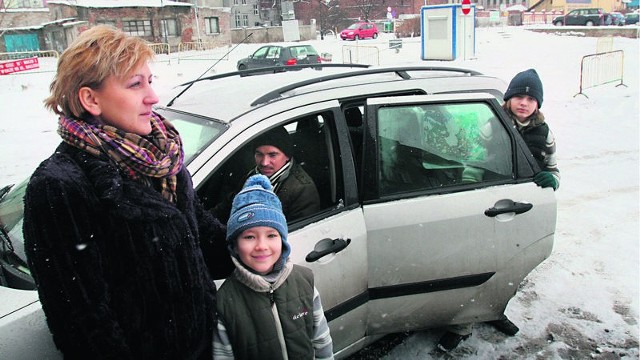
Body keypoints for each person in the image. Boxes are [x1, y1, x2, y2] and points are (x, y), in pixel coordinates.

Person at [22, 25, 232, 359]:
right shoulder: (59, 186)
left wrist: (252, 246)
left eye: (150, 81)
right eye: (135, 84)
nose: (153, 96)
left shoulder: (160, 159)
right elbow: (85, 325)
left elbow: (199, 236)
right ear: (90, 99)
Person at [437, 68, 560, 352]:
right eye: (518, 96)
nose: (524, 102)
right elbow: (471, 160)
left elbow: (554, 169)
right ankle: (462, 324)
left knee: (508, 267)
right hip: (487, 205)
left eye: (531, 99)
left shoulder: (545, 133)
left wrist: (551, 180)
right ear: (508, 99)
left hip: (521, 209)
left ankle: (494, 310)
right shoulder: (492, 125)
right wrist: (468, 193)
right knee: (478, 265)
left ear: (538, 104)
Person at [213, 174, 334, 359]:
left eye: (271, 235)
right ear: (234, 245)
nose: (262, 245)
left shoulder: (304, 282)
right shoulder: (225, 302)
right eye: (249, 237)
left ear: (282, 241)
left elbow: (321, 341)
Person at [212, 126, 321, 223]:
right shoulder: (252, 175)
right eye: (259, 154)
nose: (264, 162)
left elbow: (296, 235)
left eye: (272, 155)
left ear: (287, 156)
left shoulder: (302, 189)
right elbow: (227, 207)